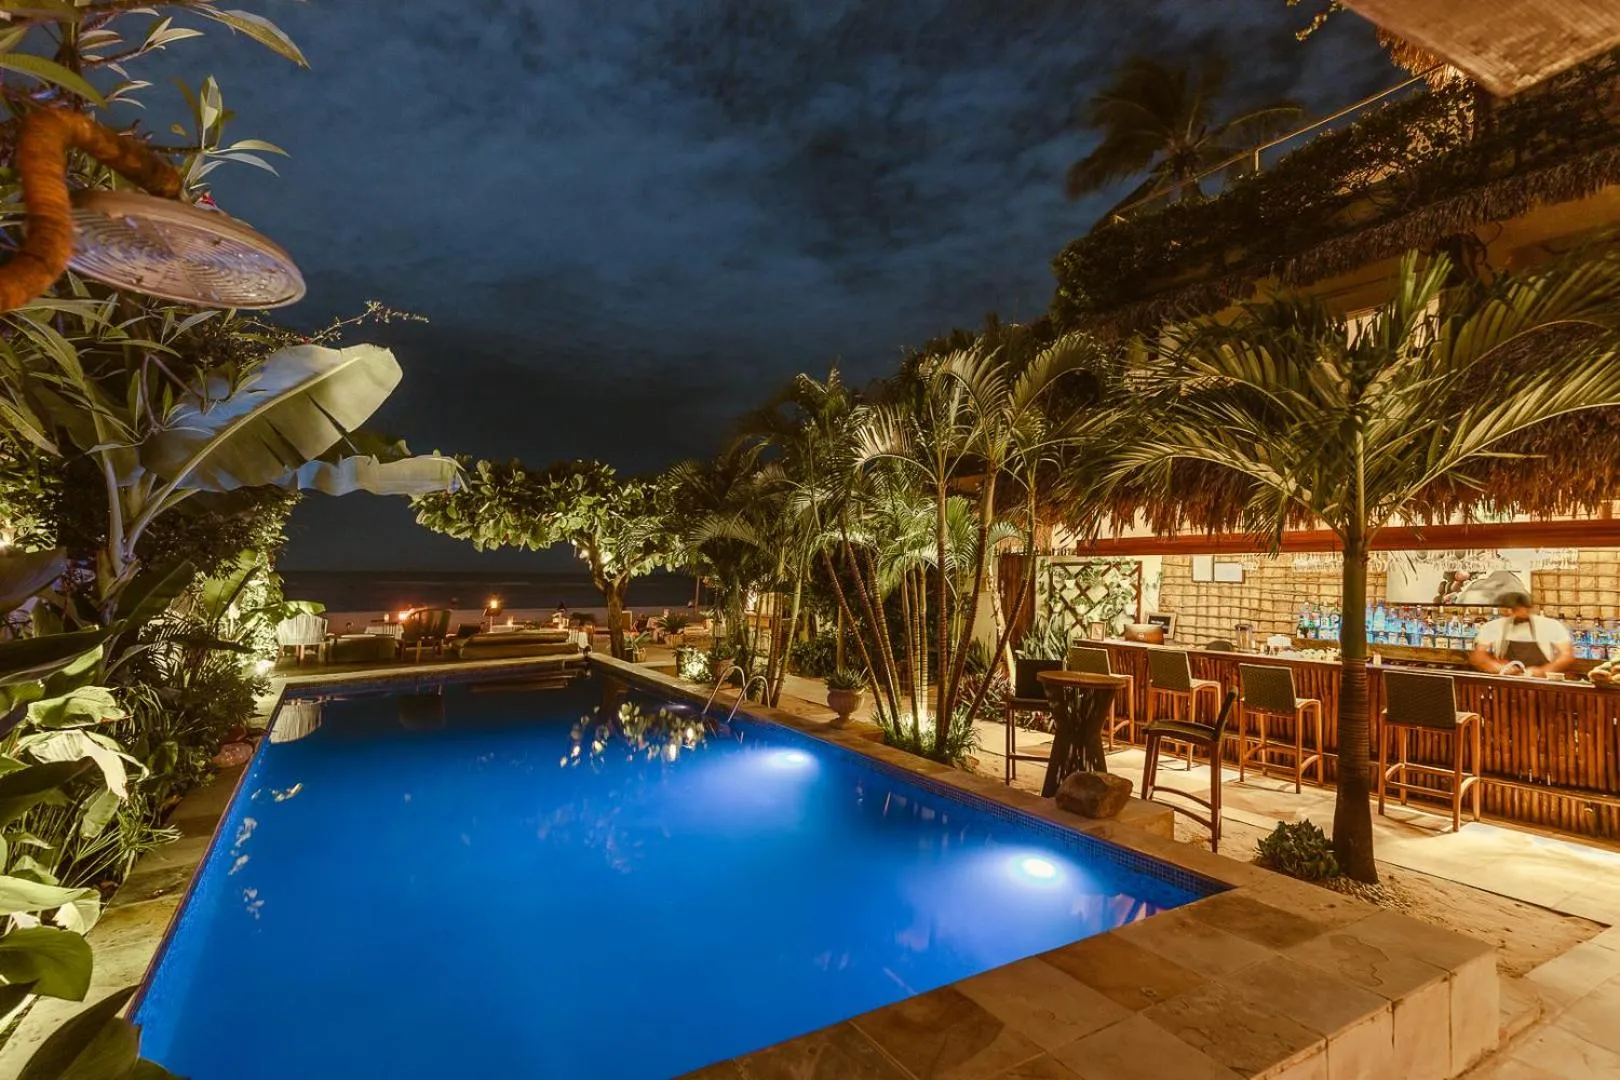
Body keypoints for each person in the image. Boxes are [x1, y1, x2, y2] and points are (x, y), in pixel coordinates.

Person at [1469, 591, 1573, 677]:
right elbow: (1478, 656)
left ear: (1530, 608)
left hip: (1541, 681)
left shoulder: (1550, 625)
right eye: (1516, 610)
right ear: (1507, 611)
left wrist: (1543, 671)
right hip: (1507, 680)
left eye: (1524, 609)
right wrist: (1497, 667)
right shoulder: (1493, 626)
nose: (1521, 613)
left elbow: (1566, 655)